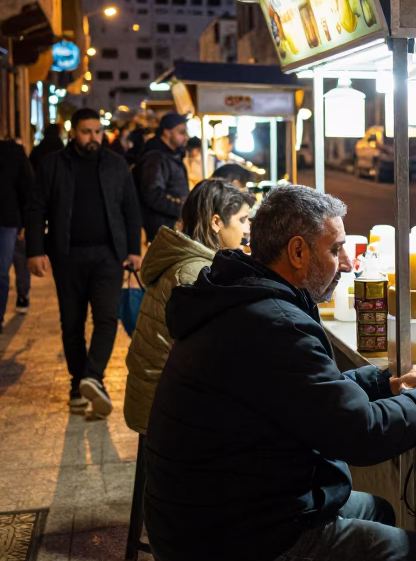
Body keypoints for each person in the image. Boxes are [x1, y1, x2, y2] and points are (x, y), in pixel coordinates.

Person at [145, 185, 416, 561]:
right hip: (236, 550)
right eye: (335, 249)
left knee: (376, 510)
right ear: (298, 251)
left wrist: (385, 382)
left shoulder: (241, 298)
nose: (347, 262)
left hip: (201, 526)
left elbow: (306, 394)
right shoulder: (273, 322)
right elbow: (360, 435)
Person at [26, 108, 143, 415]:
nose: (93, 137)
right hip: (67, 255)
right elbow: (36, 209)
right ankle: (78, 386)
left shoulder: (116, 164)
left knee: (106, 318)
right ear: (73, 133)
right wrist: (35, 250)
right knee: (72, 323)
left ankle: (92, 376)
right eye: (86, 131)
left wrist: (134, 249)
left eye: (97, 131)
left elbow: (131, 209)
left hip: (108, 255)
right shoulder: (53, 165)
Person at [123, 179, 255, 435]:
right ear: (216, 222)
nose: (247, 228)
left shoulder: (189, 261)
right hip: (166, 413)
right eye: (242, 219)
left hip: (157, 403)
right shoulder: (195, 274)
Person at [137, 113, 190, 242]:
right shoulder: (155, 158)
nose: (186, 137)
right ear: (167, 132)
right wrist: (183, 208)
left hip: (170, 226)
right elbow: (153, 194)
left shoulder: (172, 155)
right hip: (162, 229)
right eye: (181, 132)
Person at [0, 138, 33, 332]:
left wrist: (27, 222)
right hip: (10, 219)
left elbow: (27, 188)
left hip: (8, 220)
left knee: (3, 269)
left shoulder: (13, 153)